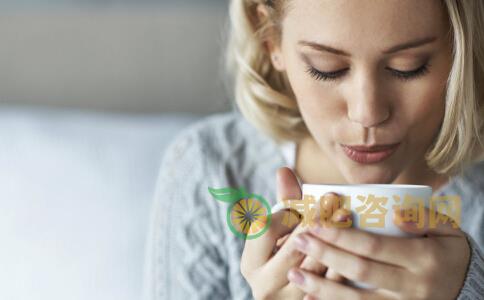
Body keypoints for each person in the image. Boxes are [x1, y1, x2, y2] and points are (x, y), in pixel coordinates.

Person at [142, 0, 484, 299]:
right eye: (327, 69)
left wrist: (469, 290)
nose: (366, 113)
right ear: (270, 41)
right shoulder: (210, 169)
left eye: (408, 67)